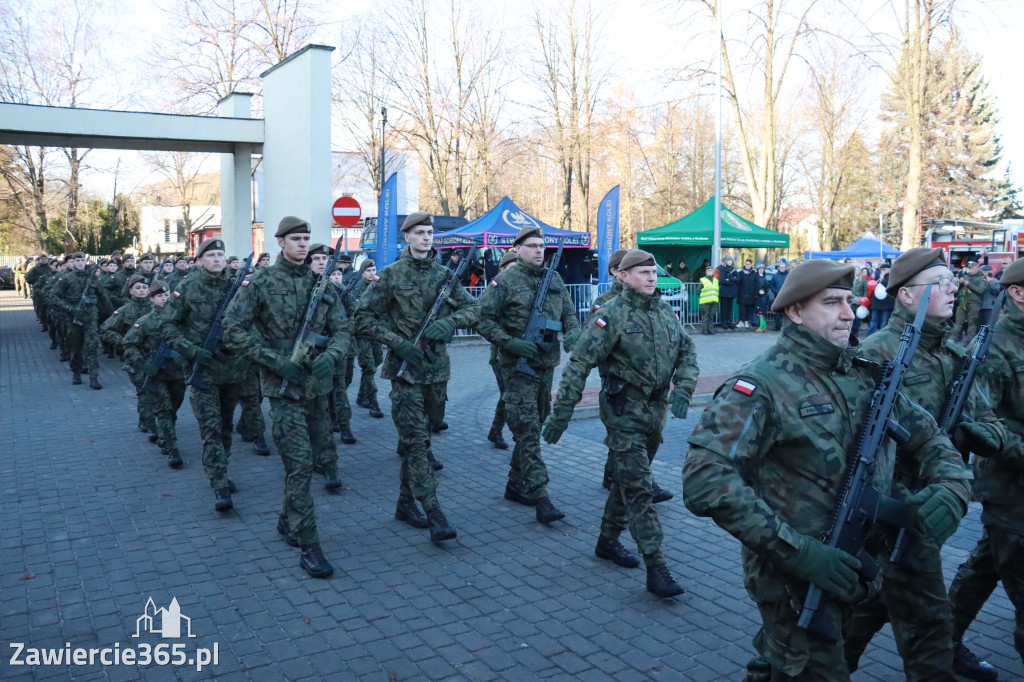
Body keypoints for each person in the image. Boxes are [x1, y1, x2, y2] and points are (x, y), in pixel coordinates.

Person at [682, 259, 971, 680]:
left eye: (850, 301)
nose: (849, 314)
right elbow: (704, 478)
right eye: (832, 302)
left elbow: (927, 435)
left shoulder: (863, 372)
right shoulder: (761, 384)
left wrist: (953, 484)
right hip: (795, 578)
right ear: (795, 312)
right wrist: (798, 552)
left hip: (860, 560)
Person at [844, 248, 1006, 681]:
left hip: (938, 501)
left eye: (953, 280)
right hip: (893, 511)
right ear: (908, 297)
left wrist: (984, 434)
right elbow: (858, 445)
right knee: (929, 626)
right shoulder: (876, 353)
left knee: (872, 604)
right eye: (942, 282)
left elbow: (990, 421)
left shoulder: (952, 352)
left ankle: (827, 665)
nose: (954, 287)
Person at [543, 250, 697, 598]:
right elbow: (579, 363)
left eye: (653, 272)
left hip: (654, 413)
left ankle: (607, 541)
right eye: (642, 272)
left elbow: (688, 351)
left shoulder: (665, 311)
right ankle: (656, 567)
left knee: (627, 481)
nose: (651, 278)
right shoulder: (609, 314)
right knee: (641, 489)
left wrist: (684, 388)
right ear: (623, 276)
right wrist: (562, 412)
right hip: (623, 409)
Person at [223, 219, 351, 579]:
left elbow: (343, 329)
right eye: (296, 239)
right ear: (280, 242)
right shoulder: (261, 281)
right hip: (282, 387)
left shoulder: (321, 283)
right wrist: (275, 362)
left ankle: (286, 520)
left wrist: (332, 355)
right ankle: (310, 545)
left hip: (317, 386)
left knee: (310, 462)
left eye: (306, 239)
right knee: (298, 464)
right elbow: (233, 330)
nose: (302, 245)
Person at [355, 213, 480, 544]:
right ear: (406, 237)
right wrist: (398, 343)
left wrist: (450, 323)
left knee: (421, 438)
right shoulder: (390, 276)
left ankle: (405, 503)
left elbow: (473, 310)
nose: (426, 238)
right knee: (416, 443)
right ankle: (435, 512)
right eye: (419, 233)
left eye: (430, 233)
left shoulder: (444, 276)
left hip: (437, 372)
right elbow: (363, 320)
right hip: (405, 372)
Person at [947, 257, 1024, 678]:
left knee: (987, 564)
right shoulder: (994, 348)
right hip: (1010, 489)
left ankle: (941, 640)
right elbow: (979, 422)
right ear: (1018, 292)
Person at [476, 226, 581, 526]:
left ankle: (514, 484)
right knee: (528, 430)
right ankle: (541, 496)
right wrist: (509, 342)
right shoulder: (505, 281)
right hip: (516, 366)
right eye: (532, 246)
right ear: (518, 248)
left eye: (542, 246)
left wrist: (574, 331)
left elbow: (569, 313)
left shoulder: (555, 278)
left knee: (538, 418)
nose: (539, 251)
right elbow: (481, 318)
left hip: (546, 365)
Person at [161, 238, 250, 513]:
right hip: (203, 372)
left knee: (225, 426)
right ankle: (219, 484)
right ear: (199, 260)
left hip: (233, 370)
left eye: (220, 254)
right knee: (210, 428)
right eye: (210, 255)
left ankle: (220, 468)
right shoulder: (186, 287)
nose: (216, 259)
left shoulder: (238, 287)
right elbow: (167, 326)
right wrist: (191, 351)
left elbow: (252, 321)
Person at [123, 280, 187, 469]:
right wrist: (143, 364)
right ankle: (172, 449)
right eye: (159, 295)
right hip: (157, 374)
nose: (164, 298)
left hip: (177, 374)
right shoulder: (144, 322)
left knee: (173, 408)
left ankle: (164, 434)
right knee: (164, 410)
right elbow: (129, 345)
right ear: (151, 299)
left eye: (166, 295)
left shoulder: (181, 319)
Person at [49, 252, 113, 389]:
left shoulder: (93, 279)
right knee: (75, 347)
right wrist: (71, 309)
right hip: (72, 318)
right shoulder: (67, 279)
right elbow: (53, 297)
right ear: (72, 262)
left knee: (91, 345)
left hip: (90, 316)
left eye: (82, 260)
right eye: (76, 260)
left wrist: (113, 315)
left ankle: (93, 377)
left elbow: (104, 297)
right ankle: (76, 372)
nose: (79, 263)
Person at [483, 251, 520, 451]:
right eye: (509, 268)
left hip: (520, 351)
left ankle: (496, 431)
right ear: (502, 270)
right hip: (500, 352)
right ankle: (512, 433)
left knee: (510, 394)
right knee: (509, 394)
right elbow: (485, 318)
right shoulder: (496, 289)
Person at [348, 259, 385, 419]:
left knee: (376, 361)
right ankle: (373, 402)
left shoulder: (378, 286)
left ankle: (362, 396)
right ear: (362, 272)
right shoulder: (356, 289)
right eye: (368, 270)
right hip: (361, 333)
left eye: (374, 270)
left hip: (375, 332)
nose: (372, 273)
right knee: (369, 367)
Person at [958, 260, 986, 343]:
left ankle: (970, 342)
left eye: (972, 268)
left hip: (974, 303)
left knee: (972, 324)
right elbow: (958, 290)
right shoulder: (965, 276)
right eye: (969, 268)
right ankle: (953, 339)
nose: (970, 270)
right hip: (963, 302)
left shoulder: (981, 278)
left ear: (977, 268)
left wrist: (968, 284)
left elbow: (981, 290)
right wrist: (960, 283)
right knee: (958, 322)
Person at [867, 260, 894, 336]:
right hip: (876, 304)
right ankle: (869, 336)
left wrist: (882, 280)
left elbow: (890, 287)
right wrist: (873, 279)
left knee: (884, 321)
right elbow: (871, 285)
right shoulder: (876, 275)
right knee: (873, 321)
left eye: (884, 269)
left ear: (889, 270)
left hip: (887, 304)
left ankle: (881, 337)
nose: (882, 271)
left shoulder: (892, 277)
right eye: (881, 269)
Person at [717, 255, 739, 330]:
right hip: (724, 292)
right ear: (726, 261)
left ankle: (729, 321)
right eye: (728, 260)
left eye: (731, 260)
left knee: (730, 307)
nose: (730, 262)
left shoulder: (734, 270)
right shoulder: (722, 269)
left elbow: (738, 279)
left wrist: (729, 280)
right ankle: (723, 322)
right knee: (724, 307)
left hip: (731, 292)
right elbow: (723, 280)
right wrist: (732, 280)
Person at [736, 259, 759, 328]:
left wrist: (755, 293)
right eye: (746, 264)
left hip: (751, 294)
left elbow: (756, 284)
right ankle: (741, 321)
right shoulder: (740, 273)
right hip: (742, 293)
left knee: (748, 309)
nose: (747, 265)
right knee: (741, 308)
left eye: (748, 264)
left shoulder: (754, 273)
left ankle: (746, 321)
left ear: (751, 265)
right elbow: (738, 283)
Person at [697, 264, 719, 336]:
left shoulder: (716, 280)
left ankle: (710, 329)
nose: (710, 272)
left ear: (713, 272)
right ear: (706, 272)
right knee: (705, 316)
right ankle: (705, 329)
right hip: (705, 301)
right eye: (708, 270)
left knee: (711, 316)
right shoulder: (702, 280)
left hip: (714, 300)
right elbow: (698, 291)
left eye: (711, 270)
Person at [768, 261, 789, 332]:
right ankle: (777, 326)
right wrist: (775, 291)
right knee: (777, 311)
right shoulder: (775, 275)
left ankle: (785, 327)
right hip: (777, 296)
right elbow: (771, 285)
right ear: (778, 268)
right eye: (780, 267)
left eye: (783, 267)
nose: (782, 268)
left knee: (786, 312)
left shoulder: (789, 275)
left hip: (786, 296)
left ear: (785, 268)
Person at [850, 267, 869, 336]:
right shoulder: (851, 279)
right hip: (850, 302)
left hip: (859, 302)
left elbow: (865, 291)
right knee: (850, 318)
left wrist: (864, 301)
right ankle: (850, 332)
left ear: (860, 271)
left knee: (856, 319)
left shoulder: (863, 280)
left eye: (857, 270)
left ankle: (855, 333)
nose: (855, 271)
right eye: (854, 270)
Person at [753, 264, 770, 331]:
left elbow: (767, 286)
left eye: (762, 269)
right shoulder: (756, 277)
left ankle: (763, 327)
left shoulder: (764, 277)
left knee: (761, 312)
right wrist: (758, 292)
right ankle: (762, 326)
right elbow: (754, 287)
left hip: (764, 297)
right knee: (760, 312)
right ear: (757, 270)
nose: (761, 270)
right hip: (759, 297)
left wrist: (764, 291)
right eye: (760, 269)